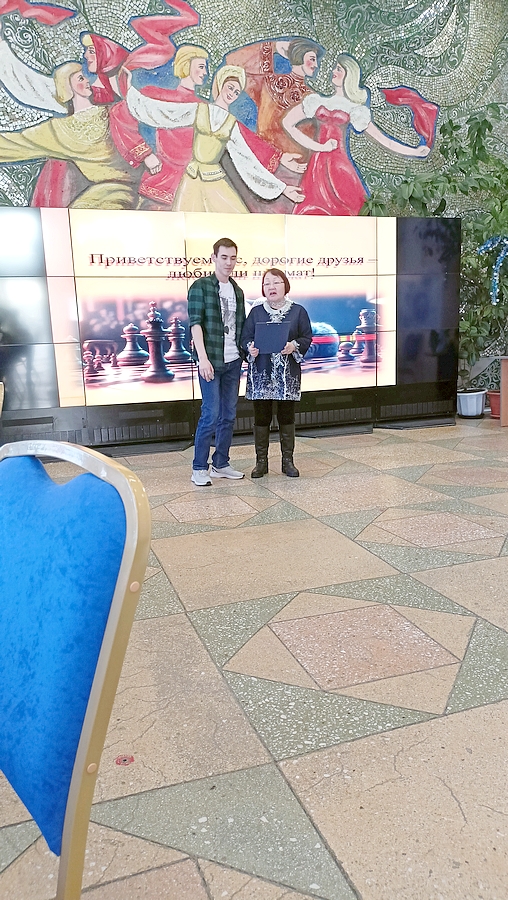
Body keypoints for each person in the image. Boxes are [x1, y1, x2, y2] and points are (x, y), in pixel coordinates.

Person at [126, 65, 304, 212]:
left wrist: (281, 188)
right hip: (191, 179)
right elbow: (164, 113)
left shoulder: (231, 124)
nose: (232, 93)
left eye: (236, 92)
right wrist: (131, 94)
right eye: (230, 88)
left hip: (215, 180)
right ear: (220, 85)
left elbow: (247, 161)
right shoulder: (199, 110)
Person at [282, 54, 432, 216]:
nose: (334, 72)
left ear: (349, 75)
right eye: (335, 68)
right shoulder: (316, 101)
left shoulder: (355, 110)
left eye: (339, 69)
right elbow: (287, 123)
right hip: (317, 165)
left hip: (339, 167)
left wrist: (415, 151)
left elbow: (384, 140)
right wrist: (318, 147)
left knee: (350, 210)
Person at [0, 61, 136, 208]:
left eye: (86, 77)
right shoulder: (59, 129)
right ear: (67, 86)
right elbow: (17, 143)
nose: (87, 81)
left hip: (130, 187)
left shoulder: (112, 111)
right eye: (80, 78)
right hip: (107, 191)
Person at [241, 268, 312, 478]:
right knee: (261, 417)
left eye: (276, 282)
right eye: (267, 283)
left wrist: (294, 346)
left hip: (287, 375)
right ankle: (261, 463)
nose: (271, 287)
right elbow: (245, 338)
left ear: (285, 285)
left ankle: (287, 461)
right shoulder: (256, 312)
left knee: (286, 417)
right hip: (261, 373)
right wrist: (250, 348)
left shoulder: (298, 311)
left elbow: (307, 337)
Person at [188, 238, 246, 486]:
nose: (228, 263)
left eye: (233, 258)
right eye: (224, 257)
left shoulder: (237, 291)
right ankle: (199, 467)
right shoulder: (200, 286)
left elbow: (240, 327)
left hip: (233, 361)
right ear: (213, 258)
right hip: (210, 361)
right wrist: (202, 358)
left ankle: (220, 463)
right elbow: (195, 324)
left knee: (229, 415)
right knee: (210, 414)